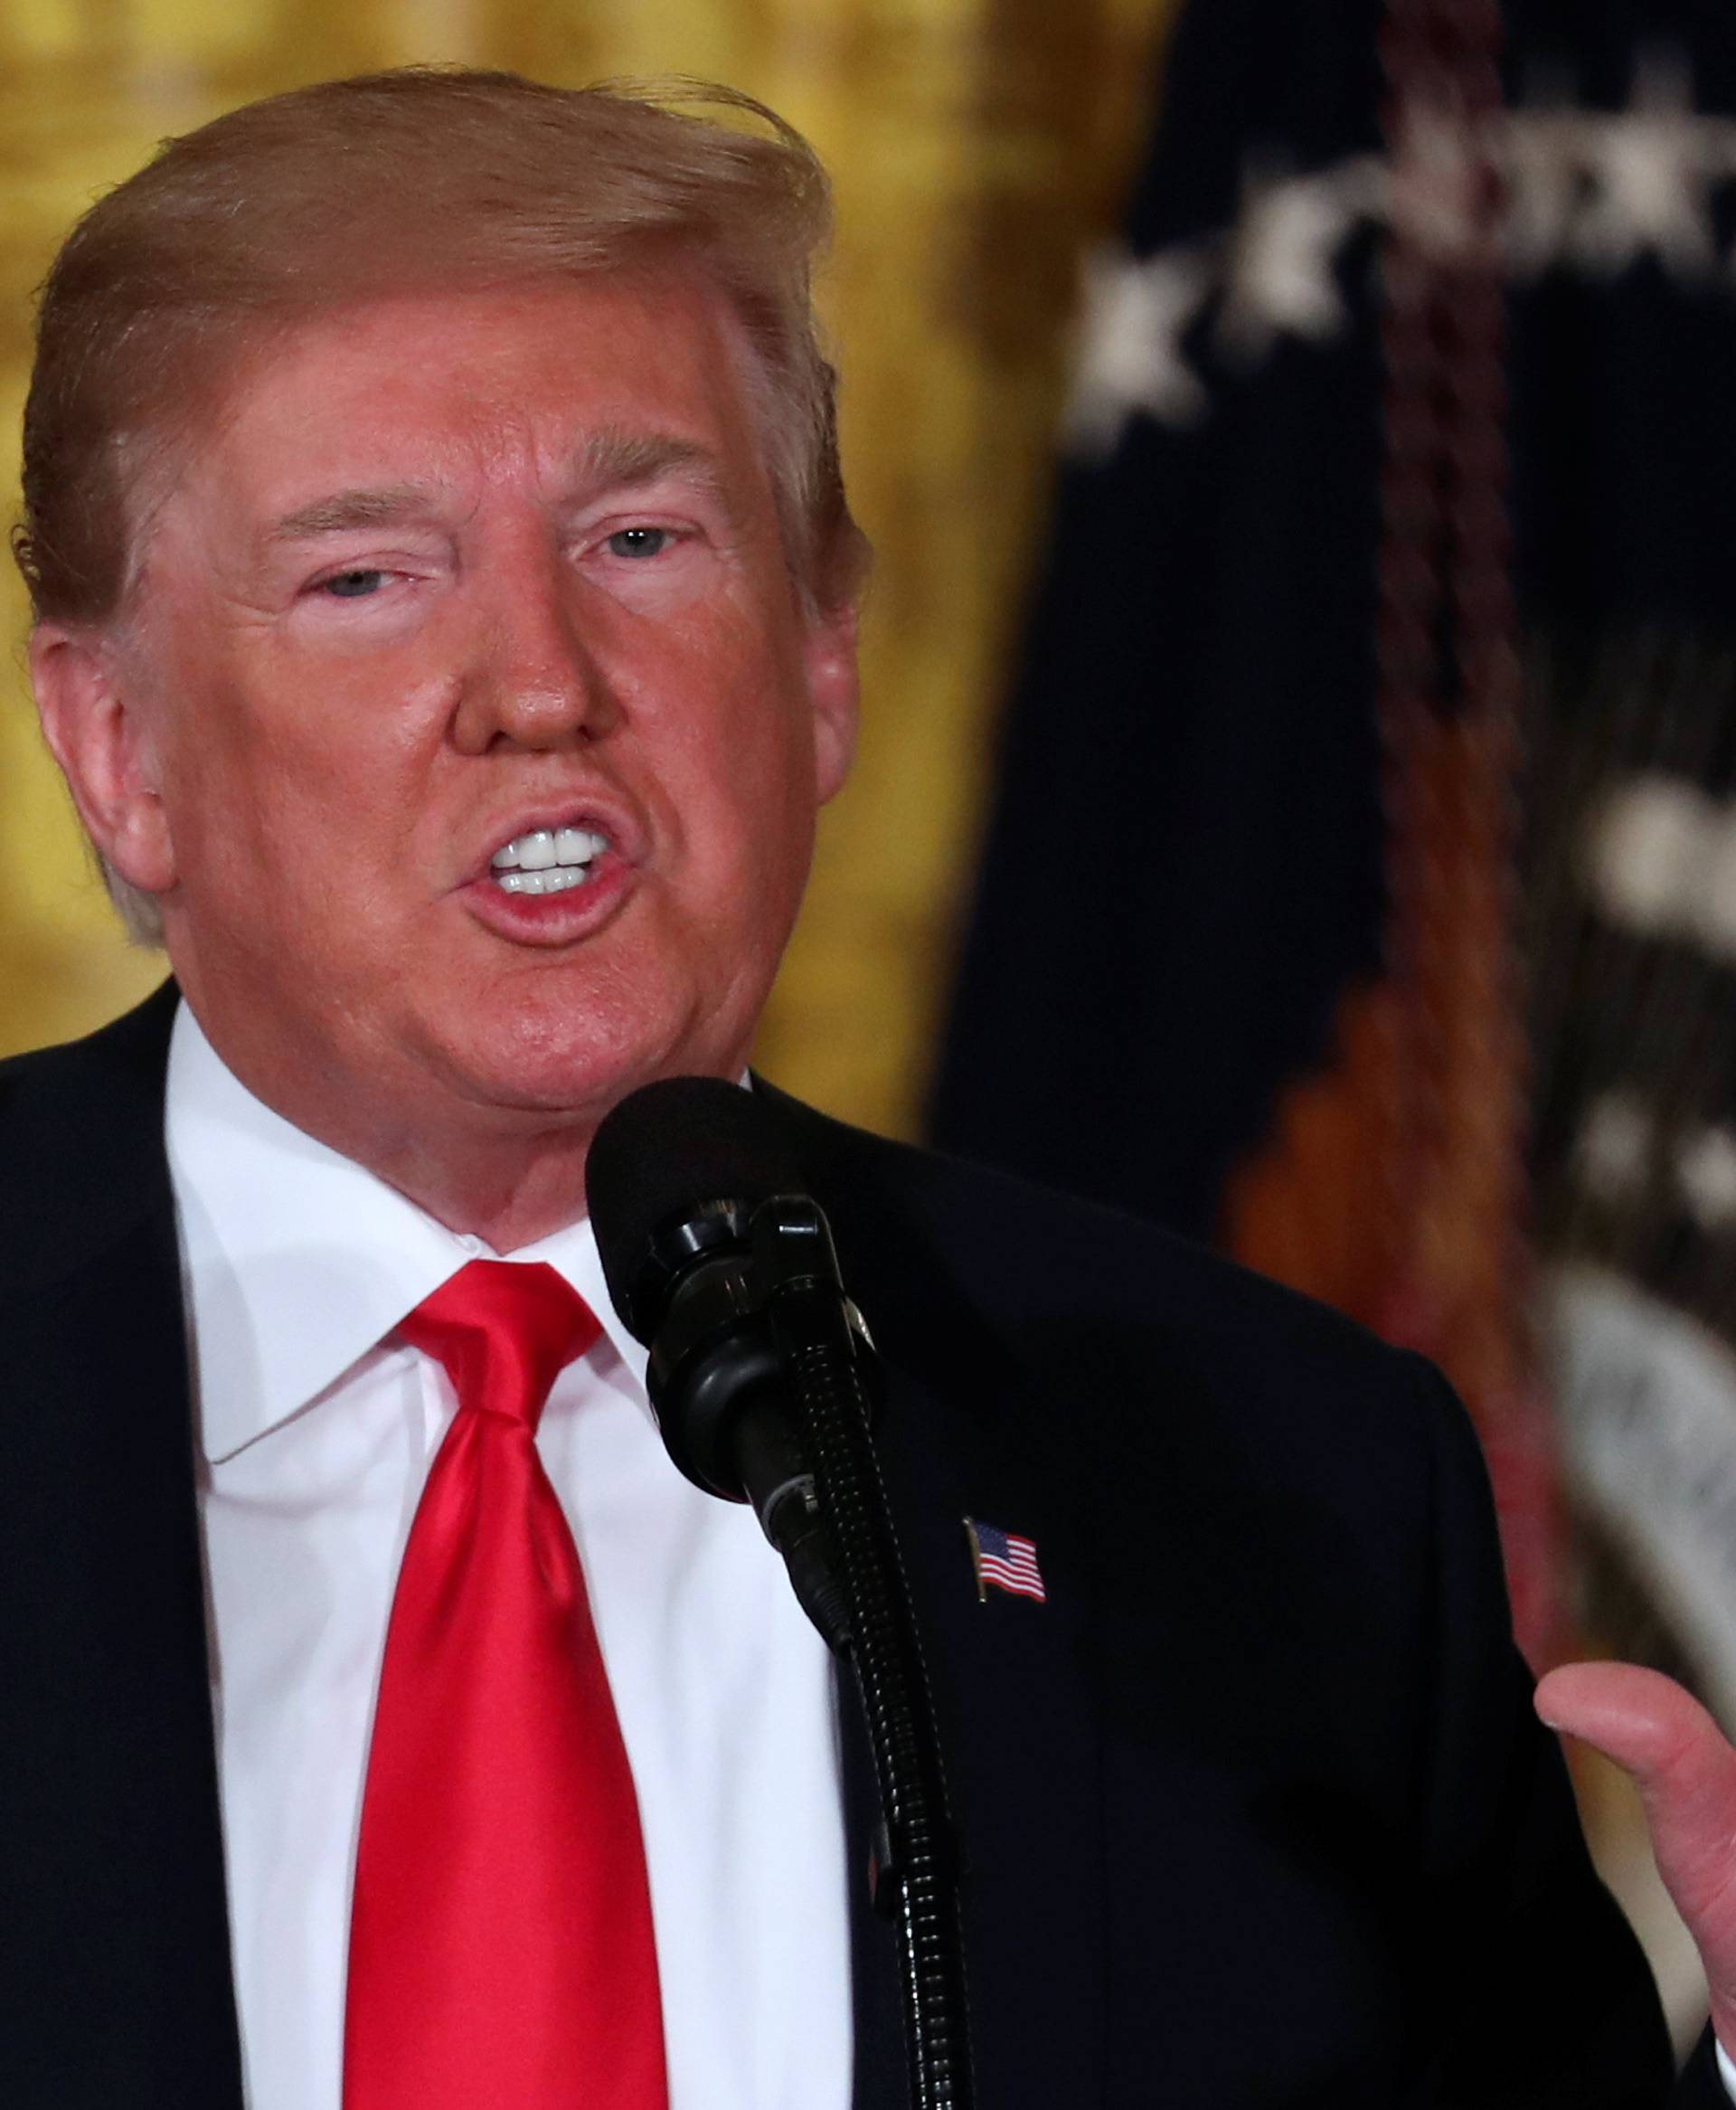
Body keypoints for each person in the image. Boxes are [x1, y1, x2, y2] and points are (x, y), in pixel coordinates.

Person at [0, 63, 1710, 2110]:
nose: (539, 682)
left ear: (821, 669)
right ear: (118, 750)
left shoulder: (1286, 1494)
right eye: (368, 575)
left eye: (641, 538)